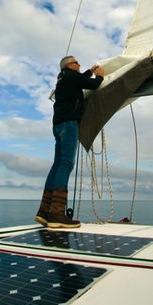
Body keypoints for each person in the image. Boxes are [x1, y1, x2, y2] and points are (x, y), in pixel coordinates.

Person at [35, 55, 104, 228]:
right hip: (69, 124)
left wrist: (89, 71)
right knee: (66, 164)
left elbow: (80, 79)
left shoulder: (64, 78)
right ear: (69, 65)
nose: (79, 65)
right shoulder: (71, 76)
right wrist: (100, 75)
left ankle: (44, 212)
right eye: (76, 63)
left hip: (58, 124)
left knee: (57, 164)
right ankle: (57, 214)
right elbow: (94, 85)